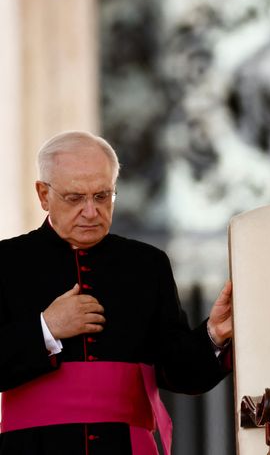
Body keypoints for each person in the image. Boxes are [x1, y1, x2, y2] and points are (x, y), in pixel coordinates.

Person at [0, 130, 234, 455]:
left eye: (102, 196)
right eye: (74, 198)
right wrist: (46, 329)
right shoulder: (6, 263)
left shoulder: (147, 265)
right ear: (43, 194)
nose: (91, 211)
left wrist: (214, 334)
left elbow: (178, 372)